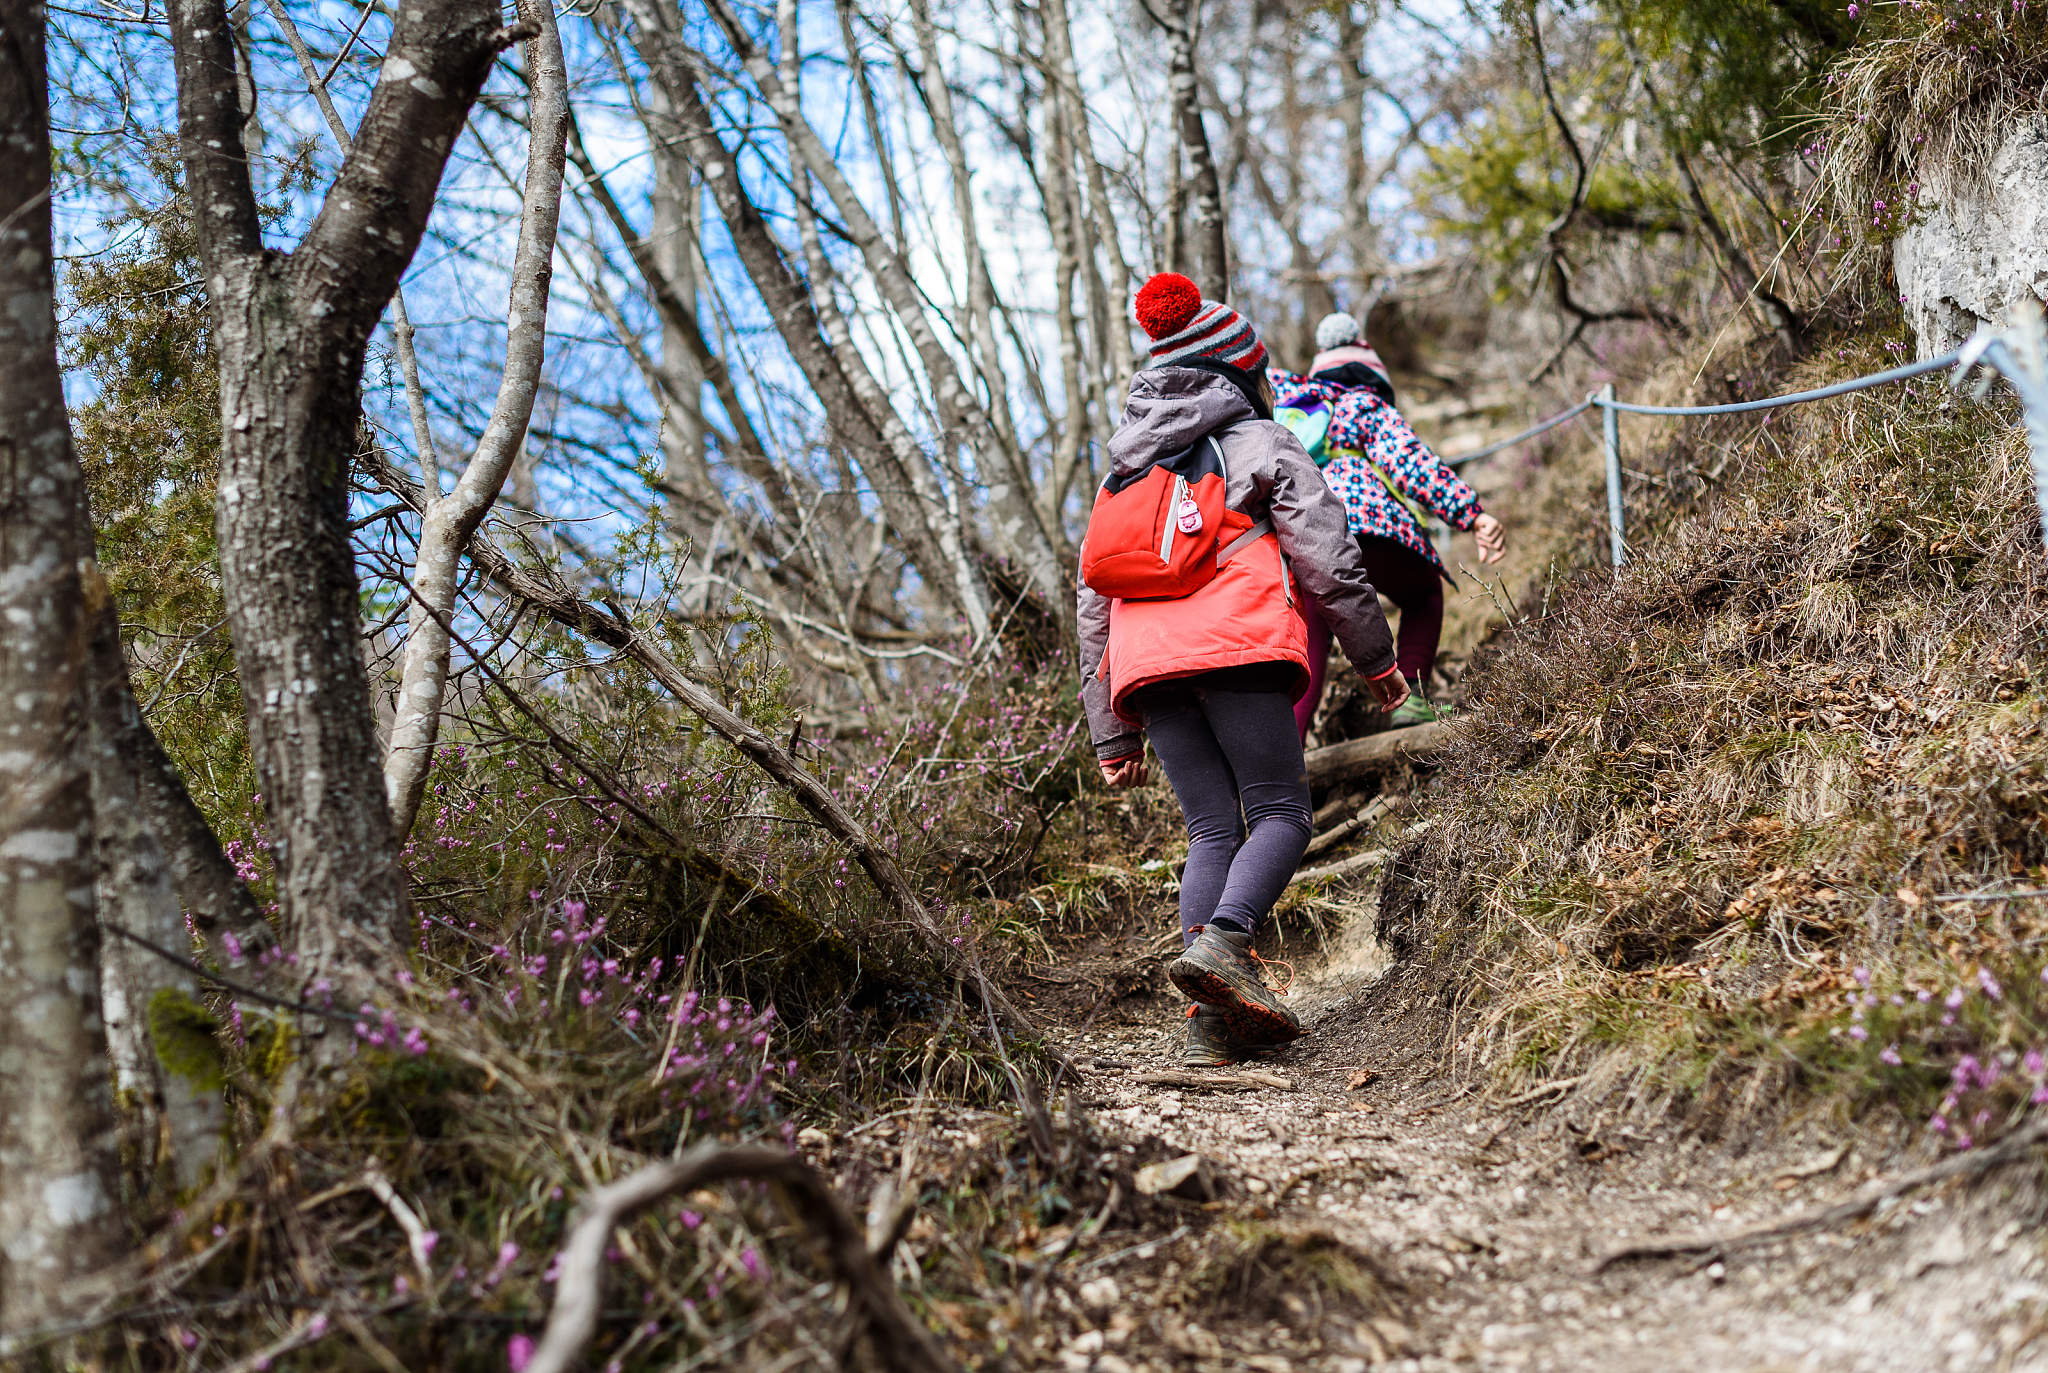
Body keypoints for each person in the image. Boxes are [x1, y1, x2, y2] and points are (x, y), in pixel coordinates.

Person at [1078, 275, 1410, 1068]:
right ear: (1237, 371)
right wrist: (1377, 658)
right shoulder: (1262, 442)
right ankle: (1226, 944)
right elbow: (1328, 556)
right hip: (1238, 648)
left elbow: (1093, 600)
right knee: (1282, 814)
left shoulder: (1122, 470)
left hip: (1147, 671)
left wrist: (1110, 732)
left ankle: (1210, 1024)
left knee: (1211, 829)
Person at [1271, 311, 1507, 739]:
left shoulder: (1286, 408)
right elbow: (1412, 464)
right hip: (1370, 529)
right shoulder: (1364, 405)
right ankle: (1412, 700)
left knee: (1310, 646)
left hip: (1305, 539)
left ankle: (1283, 762)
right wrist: (1471, 514)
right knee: (1423, 593)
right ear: (1373, 376)